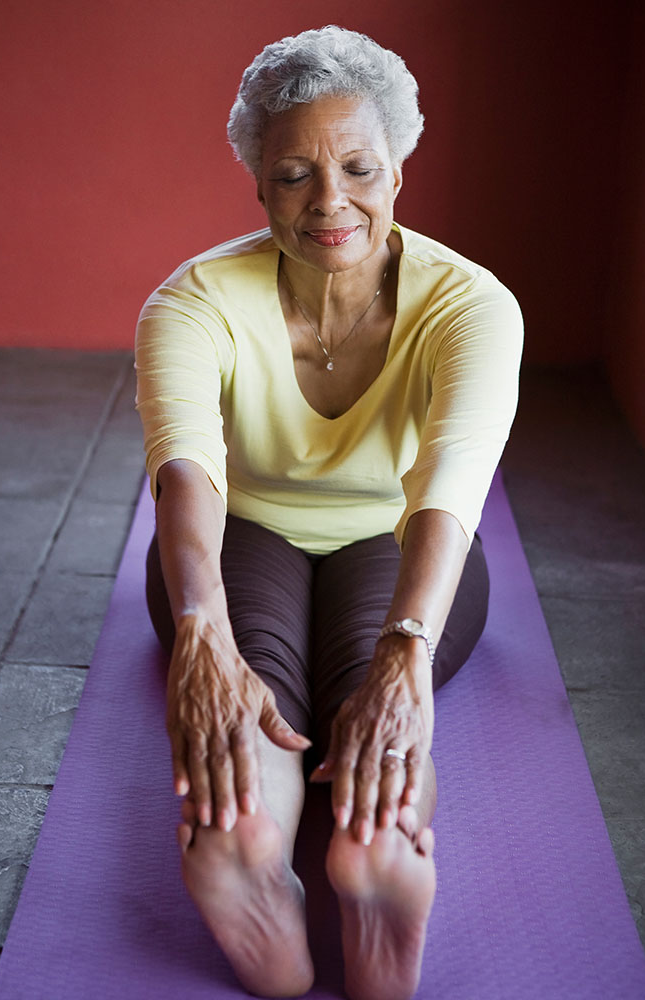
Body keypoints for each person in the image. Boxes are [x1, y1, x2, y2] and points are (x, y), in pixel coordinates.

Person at [135, 24, 522, 1000]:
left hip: (394, 540)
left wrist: (407, 648)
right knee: (246, 674)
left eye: (357, 166)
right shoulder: (188, 302)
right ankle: (243, 838)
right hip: (238, 531)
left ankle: (376, 848)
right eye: (295, 173)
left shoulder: (472, 305)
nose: (329, 199)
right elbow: (185, 477)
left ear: (398, 169)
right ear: (258, 184)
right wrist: (198, 631)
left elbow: (450, 486)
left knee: (376, 686)